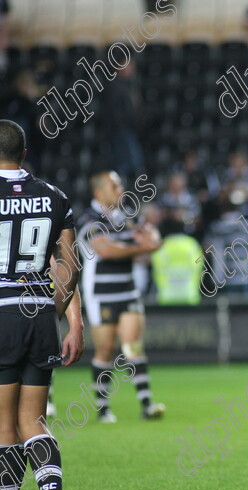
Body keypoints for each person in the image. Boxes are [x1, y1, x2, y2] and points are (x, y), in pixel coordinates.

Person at [0, 119, 83, 490]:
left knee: (3, 426)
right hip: (38, 317)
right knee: (33, 421)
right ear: (25, 154)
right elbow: (70, 264)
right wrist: (60, 309)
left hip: (1, 315)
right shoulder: (54, 197)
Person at [77, 171, 165, 423]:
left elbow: (151, 237)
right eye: (113, 186)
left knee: (133, 346)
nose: (120, 189)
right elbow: (105, 249)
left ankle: (147, 404)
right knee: (105, 349)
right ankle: (103, 408)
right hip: (101, 293)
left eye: (119, 185)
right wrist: (141, 247)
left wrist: (145, 244)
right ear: (99, 193)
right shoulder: (88, 218)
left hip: (127, 289)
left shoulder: (128, 215)